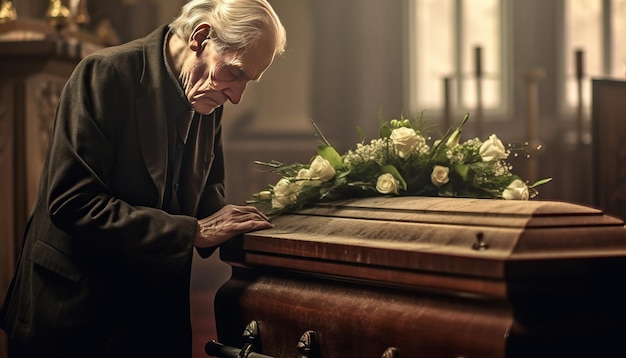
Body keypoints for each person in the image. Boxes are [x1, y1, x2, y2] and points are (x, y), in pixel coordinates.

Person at [0, 0, 286, 356]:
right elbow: (72, 202)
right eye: (236, 72)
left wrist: (270, 228)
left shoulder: (209, 96)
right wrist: (193, 232)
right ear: (201, 38)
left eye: (249, 81)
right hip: (73, 316)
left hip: (151, 318)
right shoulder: (103, 73)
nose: (237, 96)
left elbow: (208, 193)